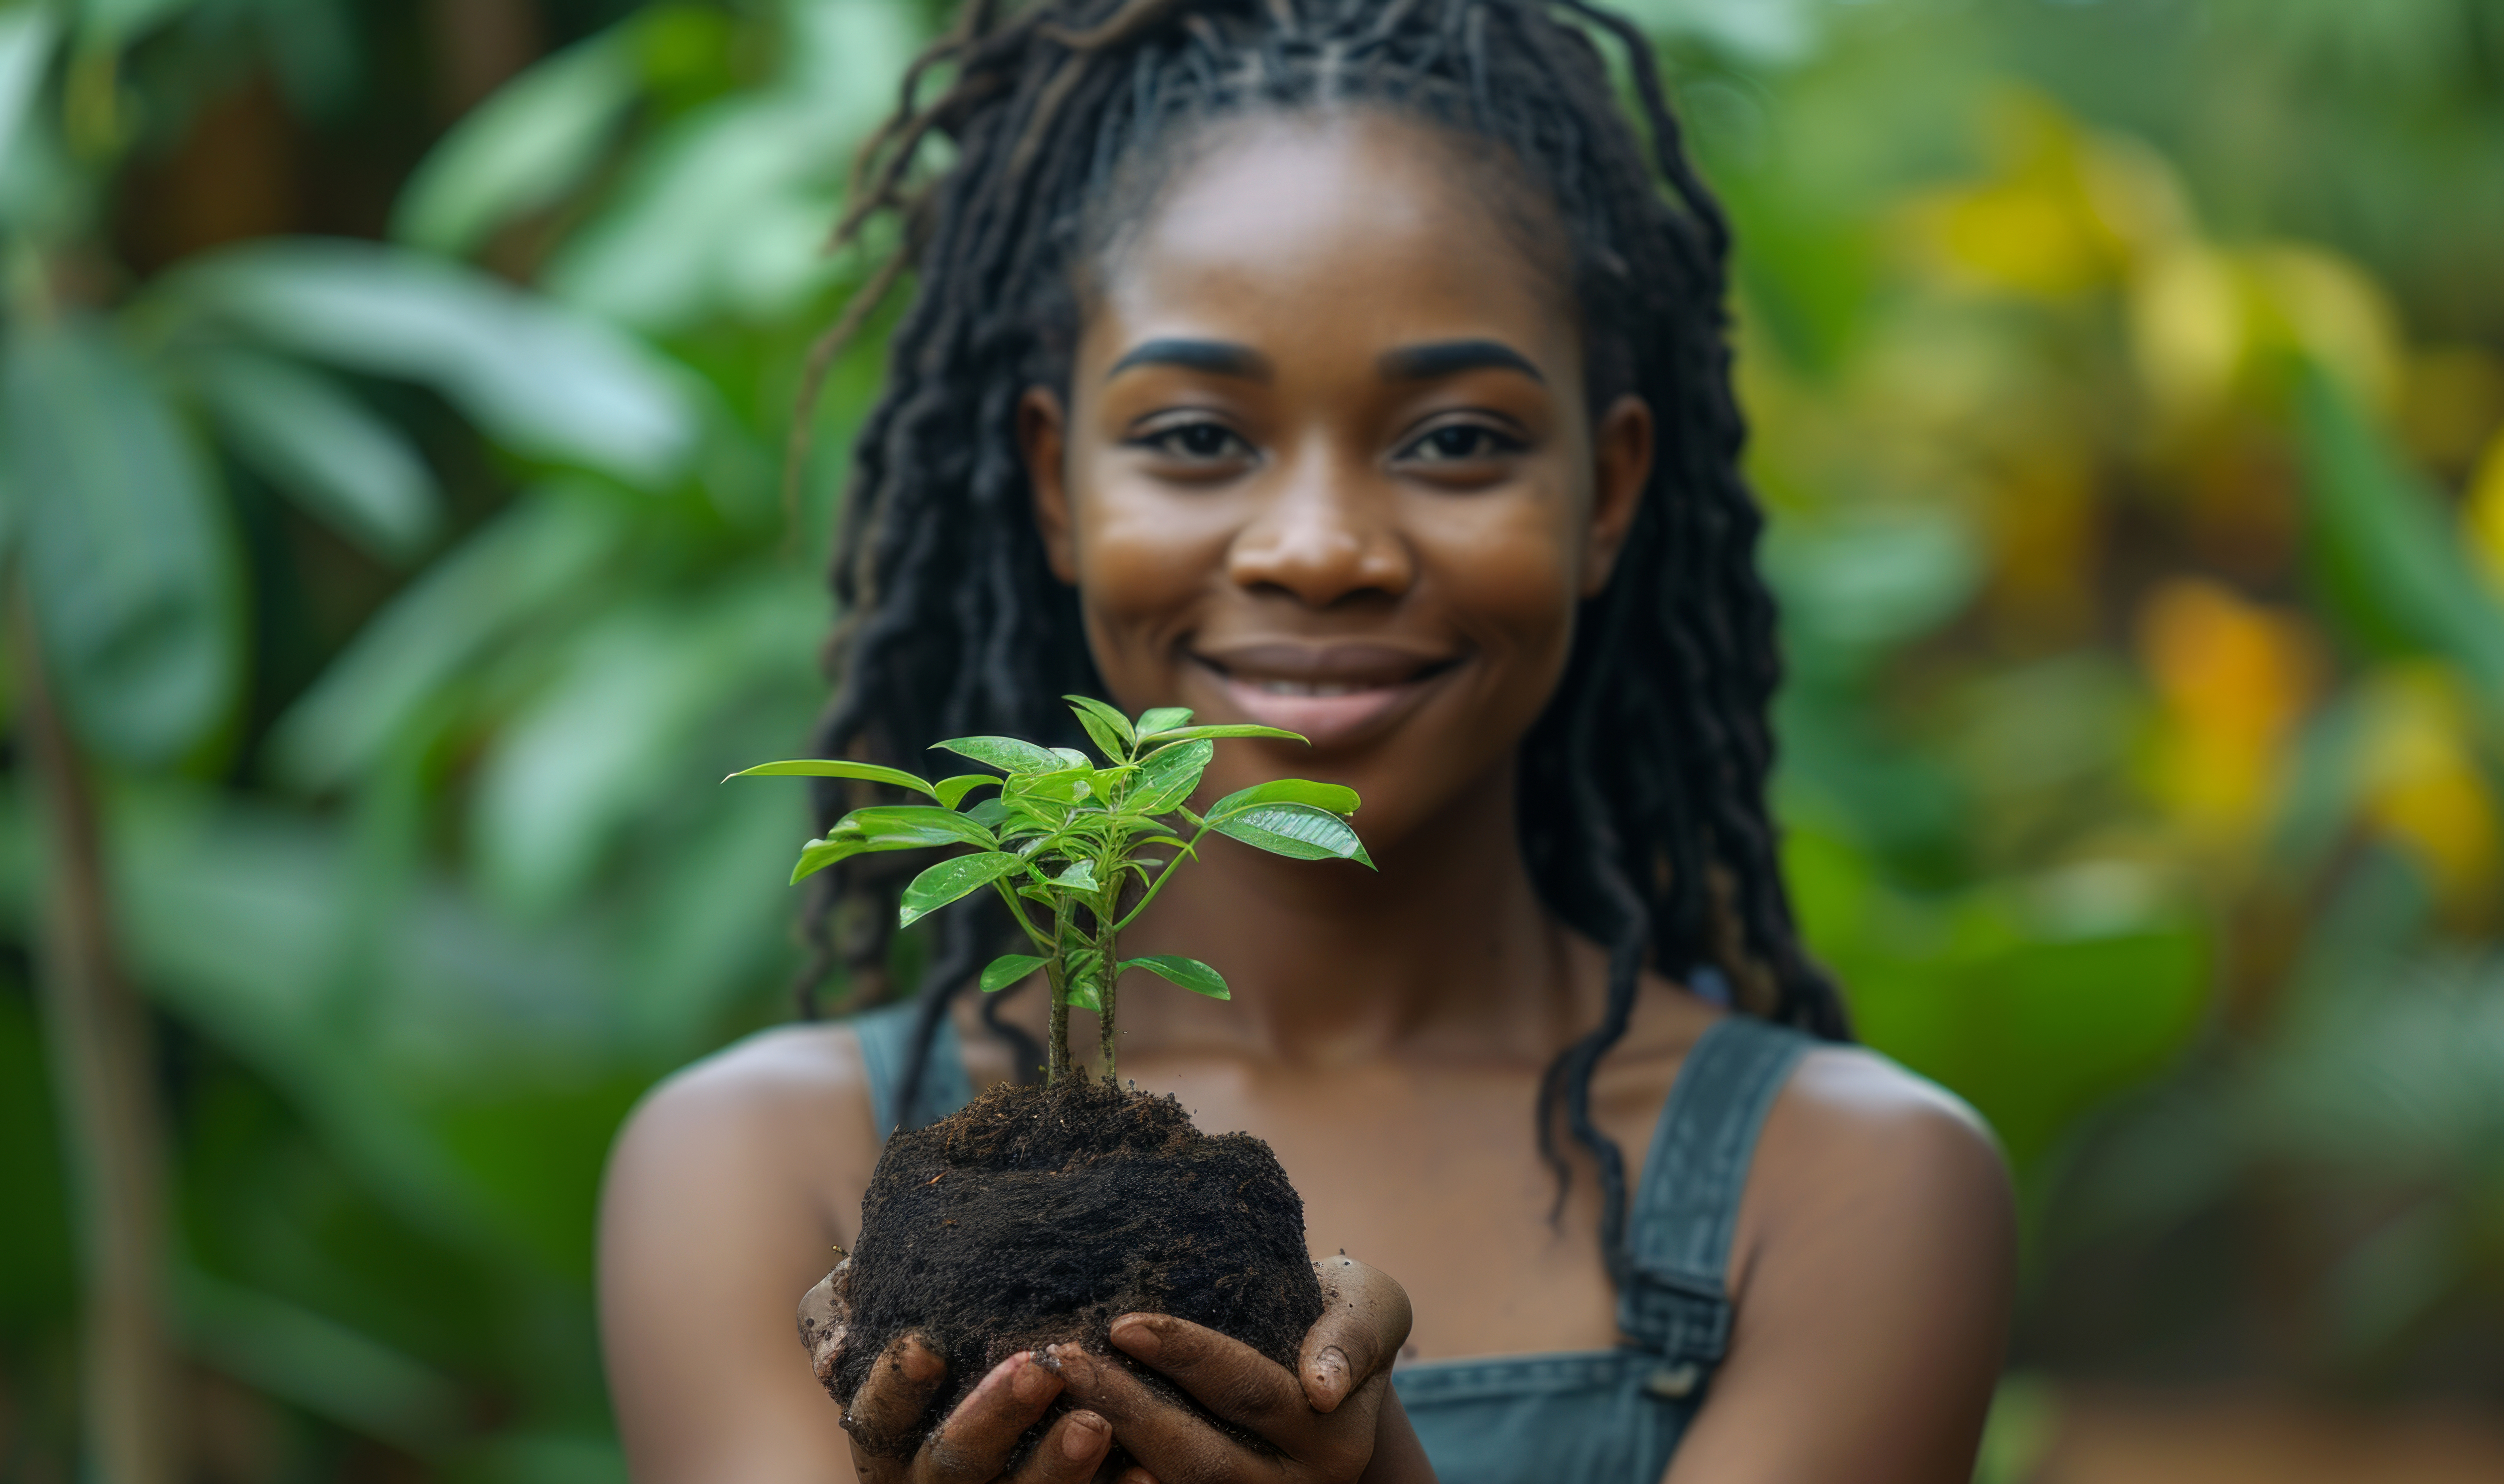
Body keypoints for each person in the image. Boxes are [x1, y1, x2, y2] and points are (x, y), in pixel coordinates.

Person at [597, 2, 2015, 1480]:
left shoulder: (1856, 1187)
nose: (1322, 547)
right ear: (1055, 484)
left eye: (1458, 439)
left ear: (1607, 492)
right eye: (1198, 438)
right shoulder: (759, 1172)